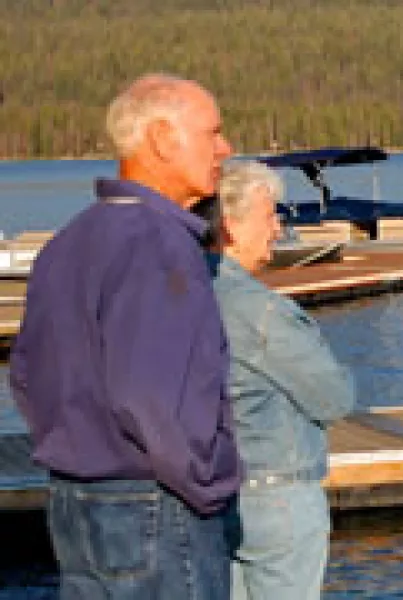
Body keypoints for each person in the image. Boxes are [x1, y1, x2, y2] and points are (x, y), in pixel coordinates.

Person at [9, 73, 242, 599]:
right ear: (161, 139)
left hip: (74, 502)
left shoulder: (68, 241)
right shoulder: (159, 244)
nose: (225, 149)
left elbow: (26, 375)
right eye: (213, 132)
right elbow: (154, 396)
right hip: (155, 508)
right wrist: (208, 485)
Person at [211, 160, 356, 600]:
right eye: (270, 215)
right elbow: (334, 398)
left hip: (212, 494)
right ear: (231, 225)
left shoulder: (183, 291)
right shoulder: (261, 311)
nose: (278, 228)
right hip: (276, 498)